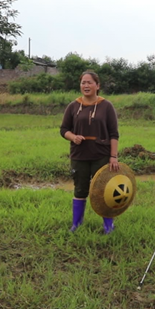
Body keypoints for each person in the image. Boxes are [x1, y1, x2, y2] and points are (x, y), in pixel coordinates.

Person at [60, 71, 120, 234]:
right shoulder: (73, 106)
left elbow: (114, 134)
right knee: (80, 189)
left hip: (101, 155)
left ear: (97, 86)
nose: (86, 86)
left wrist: (113, 157)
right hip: (79, 155)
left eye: (89, 83)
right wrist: (73, 137)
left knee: (104, 190)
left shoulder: (106, 106)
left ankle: (109, 226)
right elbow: (64, 129)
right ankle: (76, 224)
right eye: (83, 83)